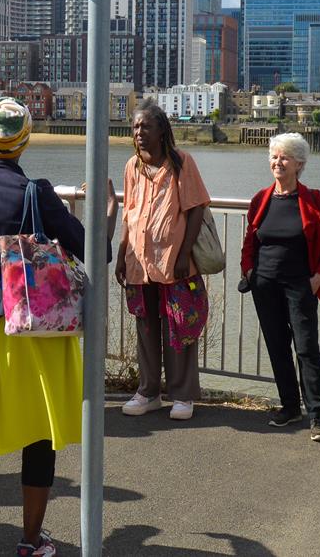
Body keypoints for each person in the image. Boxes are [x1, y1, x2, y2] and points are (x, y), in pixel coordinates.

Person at [0, 97, 113, 557]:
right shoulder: (38, 192)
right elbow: (95, 252)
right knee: (39, 432)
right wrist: (106, 210)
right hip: (34, 325)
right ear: (23, 142)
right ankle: (30, 541)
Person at [239, 133, 320, 442]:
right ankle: (290, 406)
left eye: (284, 157)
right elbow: (250, 243)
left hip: (301, 285)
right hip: (264, 284)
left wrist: (319, 278)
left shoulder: (313, 200)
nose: (277, 162)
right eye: (273, 156)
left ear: (298, 164)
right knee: (277, 346)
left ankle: (317, 414)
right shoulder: (261, 199)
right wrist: (250, 272)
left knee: (307, 348)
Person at [115, 99, 210, 422]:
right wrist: (121, 252)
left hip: (174, 261)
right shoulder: (132, 167)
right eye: (136, 126)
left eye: (146, 126)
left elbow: (196, 208)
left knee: (179, 325)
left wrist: (183, 254)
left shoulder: (182, 162)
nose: (139, 132)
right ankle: (148, 390)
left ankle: (182, 395)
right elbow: (129, 213)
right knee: (146, 326)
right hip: (139, 261)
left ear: (161, 130)